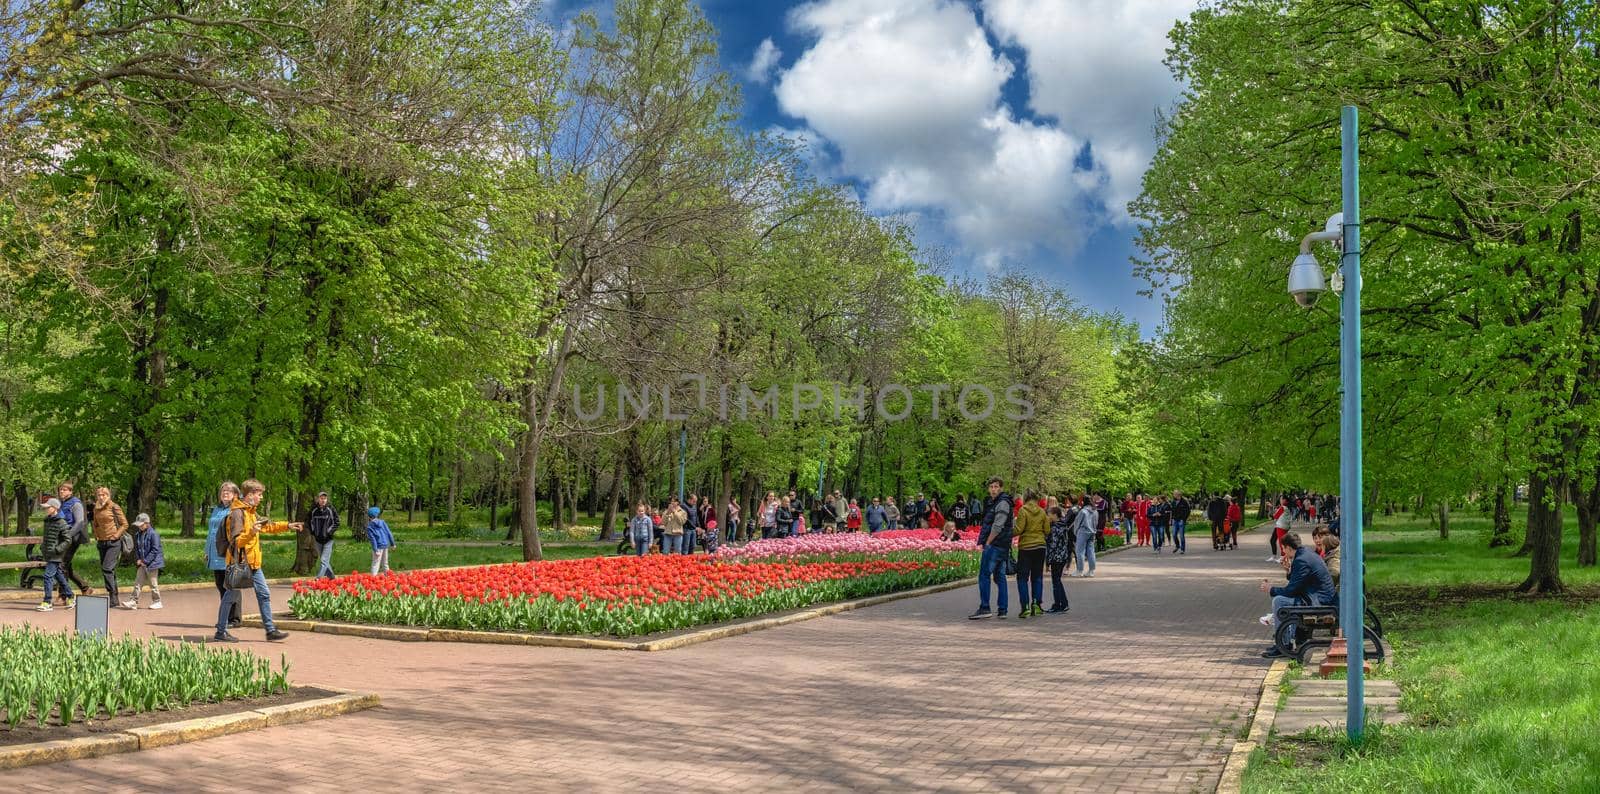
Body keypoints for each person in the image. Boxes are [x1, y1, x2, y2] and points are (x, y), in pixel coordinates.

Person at [215, 479, 300, 643]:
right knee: (230, 596)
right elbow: (236, 541)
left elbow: (268, 526)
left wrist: (288, 526)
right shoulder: (237, 514)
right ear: (250, 495)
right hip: (239, 563)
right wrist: (252, 533)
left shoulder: (252, 512)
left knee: (264, 594)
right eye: (259, 495)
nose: (261, 498)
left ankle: (270, 630)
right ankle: (221, 631)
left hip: (254, 563)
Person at [1258, 532, 1335, 658]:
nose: (1283, 552)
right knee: (1283, 600)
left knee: (1279, 601)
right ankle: (1285, 642)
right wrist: (1289, 570)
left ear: (1288, 547)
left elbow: (1291, 590)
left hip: (1319, 600)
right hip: (1316, 596)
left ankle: (1282, 644)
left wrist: (1271, 589)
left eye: (1283, 549)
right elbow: (1299, 583)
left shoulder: (1301, 560)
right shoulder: (1305, 554)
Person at [968, 477, 1014, 620]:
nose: (993, 489)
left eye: (996, 486)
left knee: (984, 575)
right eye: (991, 486)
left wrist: (988, 541)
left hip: (995, 544)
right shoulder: (994, 502)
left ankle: (985, 607)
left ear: (1001, 488)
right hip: (1002, 544)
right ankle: (1002, 609)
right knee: (1000, 577)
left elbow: (998, 525)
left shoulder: (1002, 503)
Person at [207, 482, 242, 629]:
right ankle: (225, 616)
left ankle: (234, 619)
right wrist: (206, 551)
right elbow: (211, 533)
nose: (225, 493)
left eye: (228, 491)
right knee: (221, 586)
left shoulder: (236, 510)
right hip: (215, 552)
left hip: (228, 552)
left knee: (232, 586)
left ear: (235, 494)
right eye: (223, 491)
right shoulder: (216, 509)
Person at [90, 486, 129, 607]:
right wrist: (96, 535)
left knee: (107, 568)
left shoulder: (114, 507)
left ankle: (111, 594)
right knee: (109, 570)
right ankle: (114, 597)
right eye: (99, 495)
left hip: (113, 543)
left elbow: (124, 524)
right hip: (101, 543)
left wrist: (116, 535)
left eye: (104, 495)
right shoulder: (96, 508)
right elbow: (95, 524)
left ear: (108, 496)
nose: (101, 497)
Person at [1013, 490, 1048, 619]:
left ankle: (1025, 607)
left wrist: (1006, 533)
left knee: (1022, 578)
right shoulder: (1042, 511)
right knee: (1037, 576)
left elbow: (1019, 529)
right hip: (1040, 546)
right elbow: (1047, 529)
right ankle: (1036, 604)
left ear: (1026, 498)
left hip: (1026, 547)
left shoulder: (1023, 510)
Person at [36, 498, 74, 612]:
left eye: (48, 507)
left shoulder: (61, 523)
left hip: (56, 555)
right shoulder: (47, 521)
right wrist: (43, 547)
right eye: (45, 508)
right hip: (48, 554)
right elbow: (47, 538)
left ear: (55, 508)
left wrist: (58, 550)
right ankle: (71, 596)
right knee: (59, 576)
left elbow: (68, 540)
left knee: (48, 576)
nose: (46, 509)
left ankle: (47, 602)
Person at [55, 482, 92, 596]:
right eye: (60, 490)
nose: (62, 491)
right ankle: (85, 587)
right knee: (66, 565)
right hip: (63, 537)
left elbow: (80, 522)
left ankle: (64, 595)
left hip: (72, 538)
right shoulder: (62, 503)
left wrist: (68, 536)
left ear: (71, 491)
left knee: (61, 565)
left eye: (65, 490)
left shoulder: (75, 503)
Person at [126, 513, 165, 609]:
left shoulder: (153, 534)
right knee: (138, 582)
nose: (139, 526)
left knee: (153, 584)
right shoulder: (138, 534)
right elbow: (137, 548)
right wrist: (139, 559)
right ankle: (133, 601)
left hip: (152, 564)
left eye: (141, 524)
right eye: (138, 524)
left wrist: (145, 561)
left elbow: (155, 550)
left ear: (147, 523)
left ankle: (157, 601)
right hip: (142, 563)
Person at [1043, 502, 1071, 613]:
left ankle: (1061, 604)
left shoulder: (1054, 528)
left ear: (1055, 515)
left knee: (1056, 581)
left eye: (1049, 514)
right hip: (1063, 555)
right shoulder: (1063, 525)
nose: (1048, 517)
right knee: (1057, 580)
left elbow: (1052, 545)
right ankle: (1060, 603)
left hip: (1056, 557)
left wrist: (1047, 561)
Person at [307, 491, 339, 579]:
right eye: (321, 498)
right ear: (318, 499)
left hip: (328, 540)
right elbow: (309, 522)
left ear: (327, 499)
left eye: (325, 498)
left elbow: (336, 522)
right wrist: (313, 532)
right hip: (318, 540)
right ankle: (332, 578)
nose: (323, 500)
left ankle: (318, 578)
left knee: (324, 560)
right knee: (325, 561)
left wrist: (329, 532)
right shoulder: (314, 510)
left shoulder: (331, 509)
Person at [1074, 496, 1099, 577]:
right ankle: (1091, 570)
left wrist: (1076, 531)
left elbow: (1077, 522)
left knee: (1080, 551)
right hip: (1092, 532)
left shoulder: (1083, 511)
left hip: (1083, 531)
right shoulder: (1095, 511)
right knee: (1091, 551)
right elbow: (1096, 522)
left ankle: (1079, 570)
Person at [367, 506, 395, 574]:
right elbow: (389, 533)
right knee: (385, 563)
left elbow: (373, 540)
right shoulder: (383, 522)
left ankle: (373, 580)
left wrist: (375, 550)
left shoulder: (369, 527)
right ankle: (389, 578)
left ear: (369, 516)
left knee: (375, 564)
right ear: (377, 515)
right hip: (385, 545)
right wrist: (392, 544)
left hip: (378, 547)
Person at [1269, 496, 1291, 562]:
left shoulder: (1283, 508)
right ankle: (1274, 556)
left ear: (1284, 500)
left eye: (1281, 499)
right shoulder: (1284, 508)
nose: (1280, 500)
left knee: (1281, 542)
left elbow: (1275, 516)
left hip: (1281, 527)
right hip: (1279, 526)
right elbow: (1277, 513)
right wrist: (1272, 508)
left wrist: (1270, 510)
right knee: (1272, 540)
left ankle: (1282, 557)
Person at [1170, 490, 1191, 555]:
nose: (1173, 495)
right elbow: (1172, 511)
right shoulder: (1173, 501)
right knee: (1174, 534)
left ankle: (1182, 549)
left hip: (1181, 520)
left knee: (1181, 535)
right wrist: (1171, 519)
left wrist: (1184, 519)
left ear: (1178, 495)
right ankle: (1177, 545)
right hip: (1175, 520)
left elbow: (1188, 511)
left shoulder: (1184, 501)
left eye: (1174, 494)